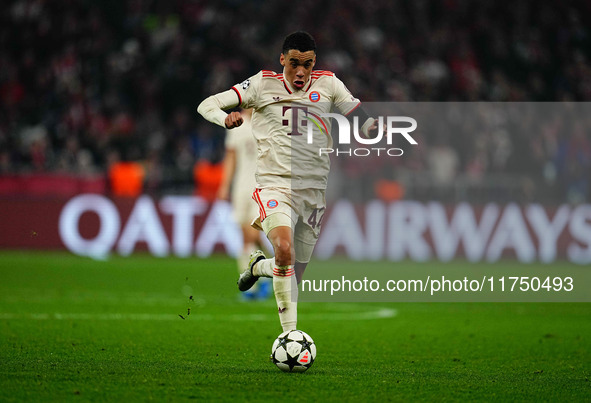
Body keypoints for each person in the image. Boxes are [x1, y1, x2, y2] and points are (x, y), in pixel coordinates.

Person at [198, 31, 377, 332]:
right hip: (274, 185)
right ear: (282, 60)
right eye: (294, 63)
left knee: (292, 273)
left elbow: (359, 114)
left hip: (314, 191)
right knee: (283, 248)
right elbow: (207, 104)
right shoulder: (261, 83)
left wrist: (372, 127)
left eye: (307, 64)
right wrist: (224, 118)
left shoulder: (329, 84)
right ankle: (289, 336)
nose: (301, 71)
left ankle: (257, 266)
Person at [217, 108, 271, 300]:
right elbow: (231, 157)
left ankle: (253, 283)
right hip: (241, 187)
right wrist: (224, 185)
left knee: (252, 234)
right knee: (246, 238)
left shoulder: (270, 122)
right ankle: (266, 275)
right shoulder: (236, 126)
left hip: (263, 187)